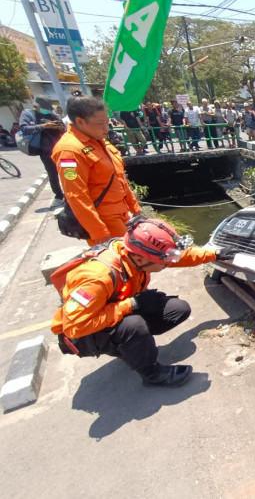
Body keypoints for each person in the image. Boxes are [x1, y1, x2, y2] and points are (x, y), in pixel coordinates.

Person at [51, 216, 234, 387]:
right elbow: (75, 327)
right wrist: (131, 305)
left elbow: (178, 257)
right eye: (163, 262)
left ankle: (132, 347)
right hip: (84, 333)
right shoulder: (97, 278)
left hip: (114, 308)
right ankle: (151, 373)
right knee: (134, 326)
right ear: (139, 258)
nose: (168, 264)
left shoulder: (134, 254)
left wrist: (215, 254)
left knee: (178, 309)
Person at [52, 96, 142, 245]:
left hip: (121, 212)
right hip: (104, 219)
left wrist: (135, 207)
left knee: (136, 258)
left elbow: (118, 177)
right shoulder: (70, 150)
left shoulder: (98, 141)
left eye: (107, 122)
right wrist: (98, 232)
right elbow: (76, 195)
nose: (106, 127)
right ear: (80, 122)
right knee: (123, 261)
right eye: (100, 123)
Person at [19, 97, 66, 200]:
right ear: (37, 106)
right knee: (52, 173)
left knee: (67, 171)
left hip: (60, 149)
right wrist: (44, 126)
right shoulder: (28, 114)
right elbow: (24, 129)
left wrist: (60, 128)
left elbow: (65, 129)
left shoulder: (53, 115)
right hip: (45, 150)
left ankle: (70, 192)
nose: (47, 110)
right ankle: (58, 195)